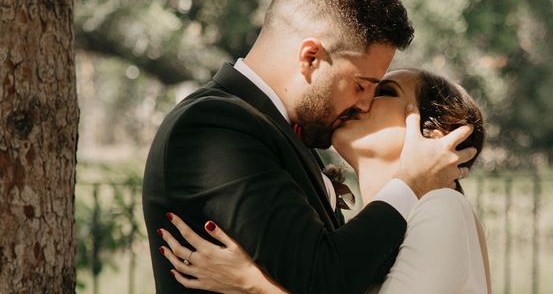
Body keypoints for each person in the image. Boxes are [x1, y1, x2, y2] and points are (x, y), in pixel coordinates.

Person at [143, 0, 477, 293]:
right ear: (311, 58)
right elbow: (323, 278)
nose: (364, 103)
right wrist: (409, 183)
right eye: (361, 85)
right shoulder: (213, 128)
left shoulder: (280, 131)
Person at [157, 69, 490, 294]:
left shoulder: (442, 209)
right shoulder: (370, 235)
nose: (363, 99)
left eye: (385, 91)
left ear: (434, 134)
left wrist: (252, 284)